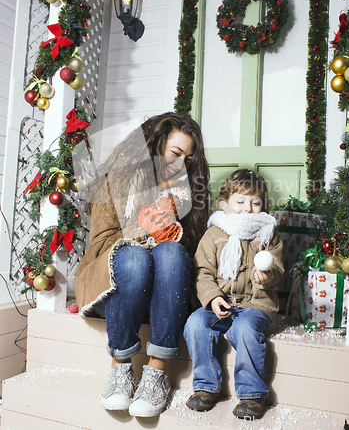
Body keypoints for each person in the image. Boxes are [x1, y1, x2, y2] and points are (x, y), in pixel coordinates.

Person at [74, 112, 210, 418]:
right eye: (175, 153)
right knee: (134, 257)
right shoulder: (118, 179)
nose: (180, 164)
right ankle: (120, 368)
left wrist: (173, 228)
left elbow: (195, 253)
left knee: (172, 254)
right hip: (118, 287)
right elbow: (101, 242)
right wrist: (144, 232)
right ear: (156, 144)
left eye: (188, 158)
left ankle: (156, 373)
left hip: (166, 297)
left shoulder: (187, 192)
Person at [184, 169, 284, 420]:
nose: (247, 208)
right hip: (222, 302)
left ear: (263, 205)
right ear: (224, 204)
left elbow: (279, 267)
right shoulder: (214, 233)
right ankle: (206, 386)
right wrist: (213, 297)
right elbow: (202, 271)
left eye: (255, 202)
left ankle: (252, 394)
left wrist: (268, 275)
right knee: (196, 323)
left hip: (256, 304)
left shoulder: (268, 234)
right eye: (240, 202)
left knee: (245, 330)